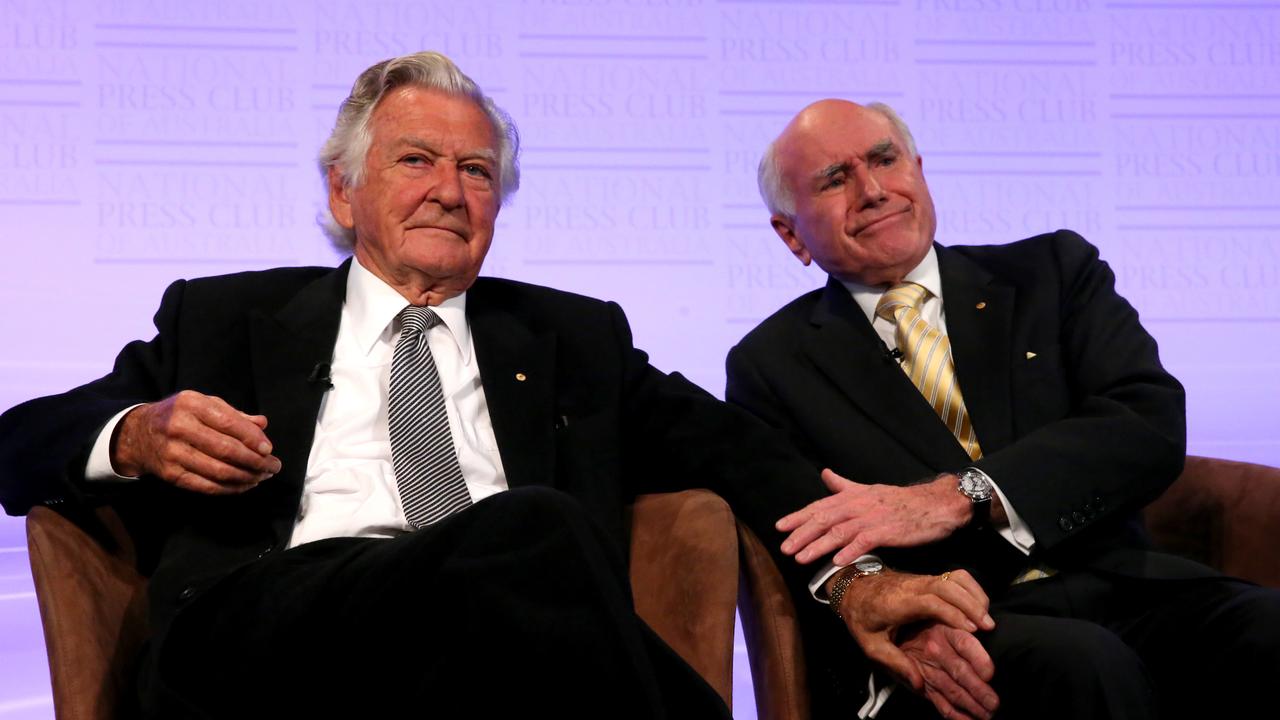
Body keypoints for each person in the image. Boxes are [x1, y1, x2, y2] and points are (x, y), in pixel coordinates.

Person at [0, 52, 830, 719]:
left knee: (512, 588)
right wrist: (137, 433)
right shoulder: (224, 318)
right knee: (538, 530)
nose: (449, 190)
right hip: (268, 629)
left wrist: (867, 567)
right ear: (343, 190)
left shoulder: (576, 338)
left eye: (475, 170)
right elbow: (18, 445)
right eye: (416, 160)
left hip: (495, 645)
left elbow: (734, 448)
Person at [725, 99, 1280, 720]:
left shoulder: (1053, 271)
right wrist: (902, 621)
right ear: (792, 234)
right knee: (1085, 665)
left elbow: (1144, 421)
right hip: (957, 621)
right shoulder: (771, 364)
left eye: (885, 159)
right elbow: (800, 535)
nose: (874, 190)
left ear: (920, 170)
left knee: (1266, 627)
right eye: (835, 179)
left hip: (1121, 584)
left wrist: (962, 495)